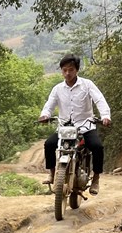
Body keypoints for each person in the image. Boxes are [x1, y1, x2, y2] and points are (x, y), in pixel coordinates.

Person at [37, 55, 112, 195]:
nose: (67, 73)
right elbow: (49, 104)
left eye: (70, 70)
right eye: (64, 70)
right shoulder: (57, 89)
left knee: (97, 147)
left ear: (77, 70)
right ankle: (52, 174)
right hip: (65, 128)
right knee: (49, 144)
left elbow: (99, 100)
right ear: (61, 71)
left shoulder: (87, 85)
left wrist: (105, 116)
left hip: (85, 126)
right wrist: (45, 115)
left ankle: (96, 179)